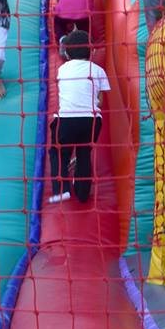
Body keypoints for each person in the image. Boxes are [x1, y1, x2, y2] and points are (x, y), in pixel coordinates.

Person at [48, 30, 110, 204]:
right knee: (84, 153)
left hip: (66, 120)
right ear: (91, 51)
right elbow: (100, 102)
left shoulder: (62, 69)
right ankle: (82, 193)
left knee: (58, 152)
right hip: (91, 121)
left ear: (67, 54)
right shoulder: (98, 70)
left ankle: (62, 189)